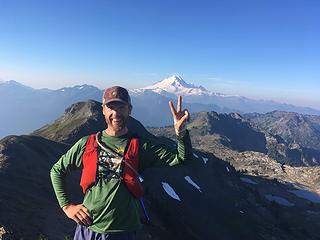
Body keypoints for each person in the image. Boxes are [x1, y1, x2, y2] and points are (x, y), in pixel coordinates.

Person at [50, 86, 193, 239]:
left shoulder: (141, 146)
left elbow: (182, 158)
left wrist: (181, 132)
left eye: (121, 107)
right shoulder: (87, 144)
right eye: (110, 107)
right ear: (103, 109)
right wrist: (67, 206)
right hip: (88, 228)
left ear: (129, 110)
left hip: (124, 232)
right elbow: (57, 170)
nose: (116, 113)